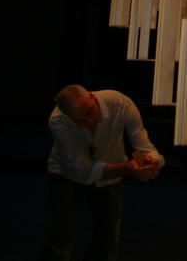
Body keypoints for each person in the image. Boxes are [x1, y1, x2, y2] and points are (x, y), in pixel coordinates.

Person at [42, 85, 165, 261]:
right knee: (62, 238)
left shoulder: (120, 104)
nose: (89, 122)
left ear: (93, 97)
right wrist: (127, 168)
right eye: (79, 121)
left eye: (90, 112)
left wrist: (152, 162)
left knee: (107, 240)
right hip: (67, 176)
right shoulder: (58, 120)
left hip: (110, 178)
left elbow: (145, 146)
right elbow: (81, 170)